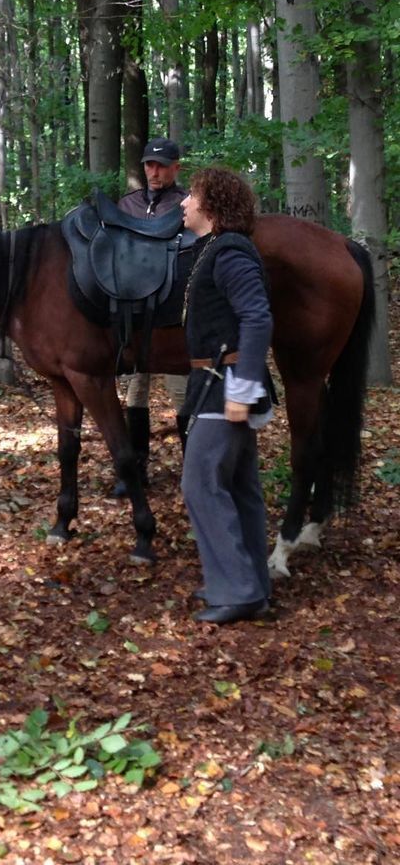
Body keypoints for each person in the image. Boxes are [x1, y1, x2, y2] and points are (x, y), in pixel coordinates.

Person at [179, 166, 273, 624]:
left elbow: (257, 319)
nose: (183, 203)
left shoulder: (230, 252)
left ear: (211, 206)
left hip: (227, 384)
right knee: (239, 487)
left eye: (191, 196)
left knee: (200, 482)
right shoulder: (213, 249)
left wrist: (244, 388)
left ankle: (238, 589)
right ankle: (249, 581)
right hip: (219, 382)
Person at [113, 137, 188, 494]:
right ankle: (136, 469)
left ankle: (194, 470)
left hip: (173, 318)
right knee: (136, 391)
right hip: (134, 315)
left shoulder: (188, 205)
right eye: (148, 165)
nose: (154, 172)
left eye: (160, 165)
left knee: (182, 393)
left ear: (176, 167)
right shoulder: (127, 205)